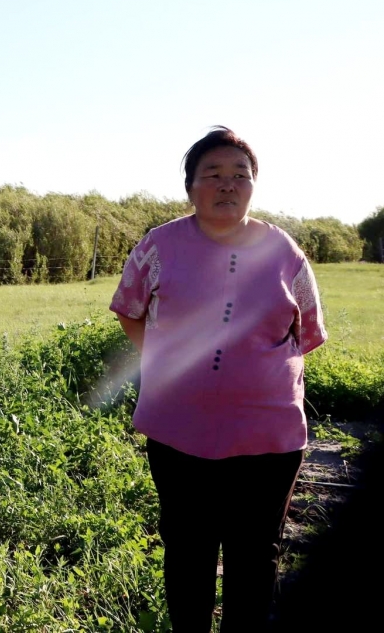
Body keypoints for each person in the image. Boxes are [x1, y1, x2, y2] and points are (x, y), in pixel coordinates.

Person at [110, 126, 326, 632]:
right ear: (191, 186)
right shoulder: (158, 246)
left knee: (256, 557)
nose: (228, 184)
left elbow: (309, 331)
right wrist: (167, 365)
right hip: (177, 433)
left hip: (268, 441)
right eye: (213, 174)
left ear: (254, 185)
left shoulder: (285, 252)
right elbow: (129, 309)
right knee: (188, 552)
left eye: (240, 175)